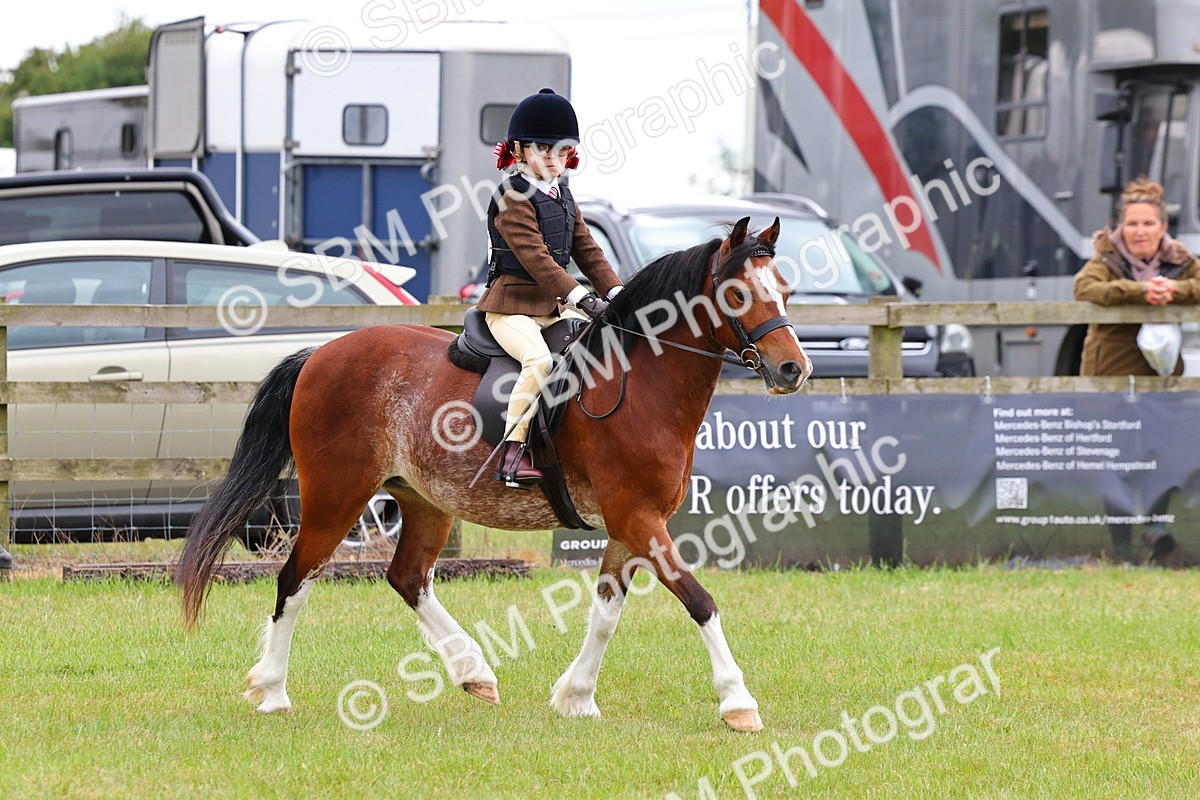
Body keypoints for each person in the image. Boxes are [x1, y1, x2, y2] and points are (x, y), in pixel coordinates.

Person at [478, 88, 624, 488]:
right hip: (511, 309)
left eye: (562, 151)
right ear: (521, 151)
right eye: (544, 149)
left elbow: (588, 250)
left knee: (607, 346)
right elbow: (537, 258)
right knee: (539, 363)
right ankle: (512, 453)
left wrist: (616, 293)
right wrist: (580, 296)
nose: (554, 160)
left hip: (553, 308)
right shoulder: (511, 197)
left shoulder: (564, 195)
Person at [1074, 176, 1200, 562]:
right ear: (1119, 227)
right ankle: (1122, 549)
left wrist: (1173, 291)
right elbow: (1085, 289)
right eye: (1132, 223)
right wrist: (1140, 292)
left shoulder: (1179, 261)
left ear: (1163, 227)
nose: (1140, 231)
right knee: (1118, 465)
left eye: (1148, 223)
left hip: (1160, 380)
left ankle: (1154, 530)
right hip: (1110, 379)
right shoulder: (1105, 261)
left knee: (1162, 459)